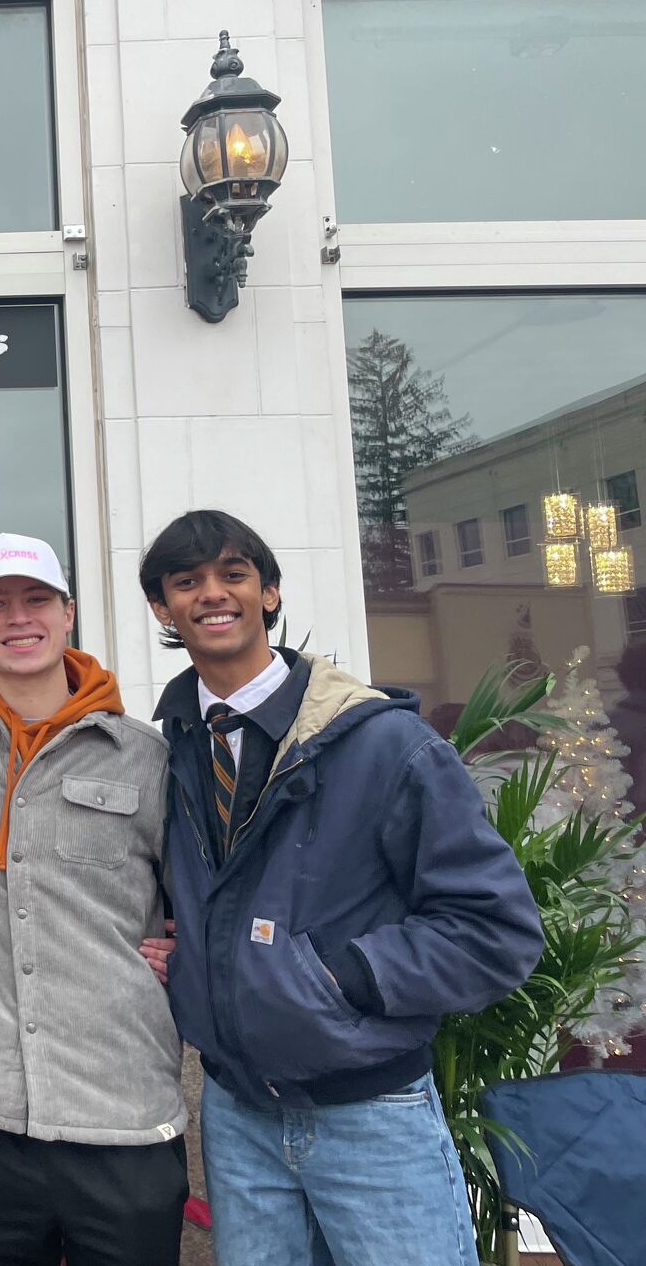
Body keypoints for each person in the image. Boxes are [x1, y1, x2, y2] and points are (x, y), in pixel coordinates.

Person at [138, 509, 544, 1266]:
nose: (211, 595)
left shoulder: (385, 745)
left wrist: (338, 976)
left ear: (270, 592)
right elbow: (214, 892)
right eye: (186, 582)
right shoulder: (174, 750)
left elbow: (497, 931)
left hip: (372, 1113)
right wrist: (185, 947)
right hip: (236, 1113)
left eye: (233, 574)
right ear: (163, 609)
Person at [0, 533, 187, 1266]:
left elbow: (203, 889)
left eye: (36, 600)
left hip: (120, 1112)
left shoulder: (145, 753)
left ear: (67, 614)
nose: (17, 618)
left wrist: (196, 951)